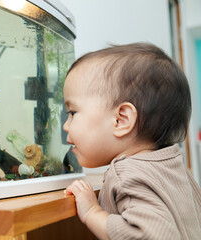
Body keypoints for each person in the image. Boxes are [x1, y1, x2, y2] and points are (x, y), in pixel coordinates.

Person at [63, 42, 201, 240]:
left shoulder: (127, 173)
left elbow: (148, 235)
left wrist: (93, 212)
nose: (66, 126)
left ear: (121, 120)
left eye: (72, 113)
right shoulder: (174, 167)